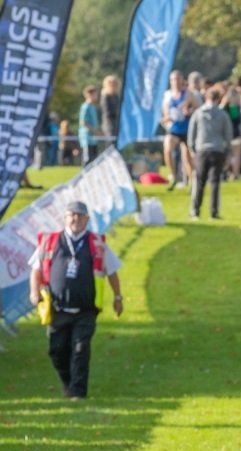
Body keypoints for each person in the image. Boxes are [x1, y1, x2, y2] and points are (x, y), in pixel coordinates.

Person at [28, 201, 124, 400]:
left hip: (85, 310)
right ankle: (68, 383)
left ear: (87, 220)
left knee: (80, 349)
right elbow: (35, 269)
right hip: (57, 309)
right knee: (57, 351)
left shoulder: (97, 243)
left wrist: (117, 297)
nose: (76, 219)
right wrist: (34, 291)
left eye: (80, 216)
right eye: (72, 215)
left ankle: (78, 393)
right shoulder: (50, 241)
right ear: (64, 218)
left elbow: (112, 272)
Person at [188, 86, 233, 221]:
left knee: (199, 181)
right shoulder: (223, 115)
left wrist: (192, 148)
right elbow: (228, 134)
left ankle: (195, 210)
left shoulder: (198, 113)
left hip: (201, 149)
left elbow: (192, 132)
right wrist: (227, 150)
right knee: (215, 182)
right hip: (218, 150)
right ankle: (213, 212)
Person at [161, 70, 198, 190]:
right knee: (167, 149)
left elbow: (198, 109)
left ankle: (192, 180)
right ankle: (173, 175)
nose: (175, 82)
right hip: (174, 128)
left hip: (187, 128)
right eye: (173, 79)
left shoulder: (188, 94)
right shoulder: (168, 95)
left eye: (177, 79)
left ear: (182, 80)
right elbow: (166, 113)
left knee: (187, 156)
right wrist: (167, 118)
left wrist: (189, 112)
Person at [78, 85, 101, 166]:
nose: (97, 96)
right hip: (86, 137)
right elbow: (83, 122)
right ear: (89, 95)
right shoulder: (85, 106)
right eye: (95, 94)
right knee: (87, 159)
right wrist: (94, 131)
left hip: (93, 138)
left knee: (94, 159)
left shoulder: (93, 107)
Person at [100, 75, 120, 144]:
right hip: (109, 124)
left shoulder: (116, 96)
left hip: (116, 123)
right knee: (110, 142)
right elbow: (107, 111)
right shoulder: (105, 96)